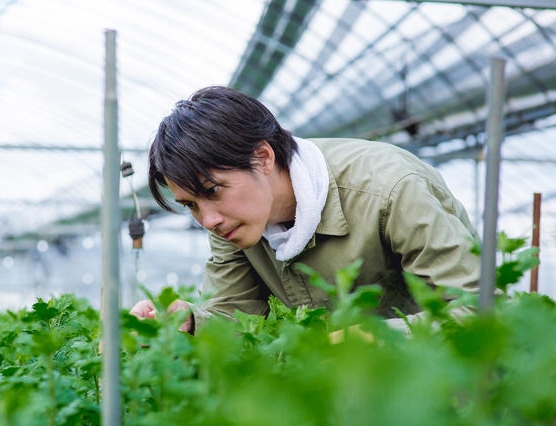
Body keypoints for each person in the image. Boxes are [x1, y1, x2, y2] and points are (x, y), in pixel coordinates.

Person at [130, 86, 480, 334]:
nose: (208, 220)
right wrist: (190, 322)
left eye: (212, 191)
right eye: (190, 205)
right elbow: (239, 320)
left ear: (263, 157)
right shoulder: (233, 221)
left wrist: (377, 337)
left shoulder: (389, 188)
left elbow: (480, 310)